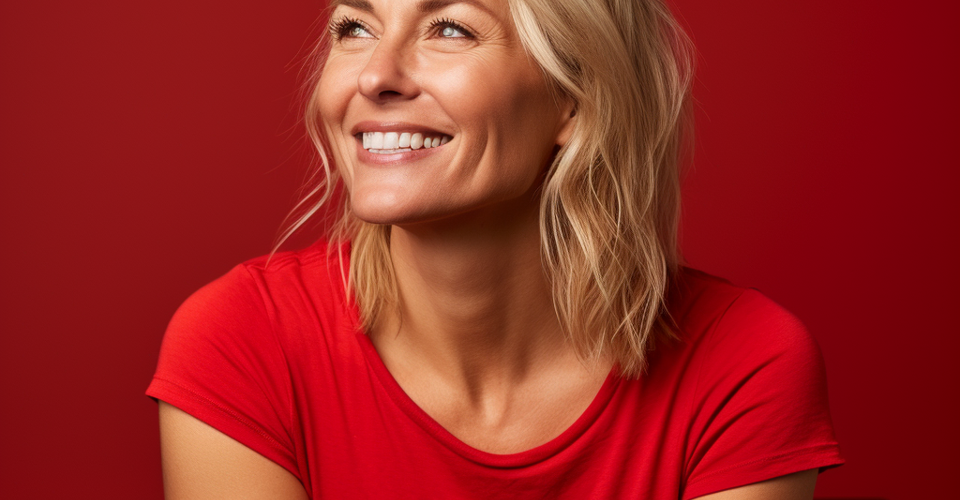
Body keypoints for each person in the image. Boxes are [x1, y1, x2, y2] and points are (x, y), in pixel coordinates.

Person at [146, 0, 844, 498]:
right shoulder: (240, 342)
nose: (374, 75)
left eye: (450, 28)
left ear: (576, 98)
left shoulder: (744, 365)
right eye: (355, 27)